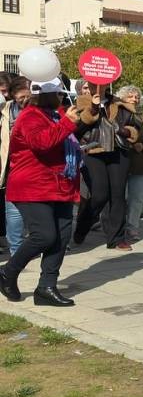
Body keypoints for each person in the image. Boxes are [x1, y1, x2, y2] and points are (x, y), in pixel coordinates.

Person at [0, 77, 87, 306]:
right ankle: (7, 272)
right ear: (45, 95)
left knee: (61, 237)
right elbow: (41, 143)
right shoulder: (29, 116)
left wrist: (89, 107)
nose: (61, 97)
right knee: (44, 235)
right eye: (57, 93)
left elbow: (69, 134)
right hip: (32, 186)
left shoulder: (56, 114)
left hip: (60, 185)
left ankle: (46, 287)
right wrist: (67, 123)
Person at [73, 81, 138, 251]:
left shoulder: (119, 104)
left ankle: (116, 238)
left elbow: (136, 127)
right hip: (93, 151)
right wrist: (93, 109)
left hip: (118, 151)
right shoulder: (81, 103)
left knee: (118, 194)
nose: (99, 87)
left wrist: (128, 132)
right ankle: (82, 226)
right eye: (93, 85)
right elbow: (76, 130)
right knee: (100, 195)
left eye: (102, 84)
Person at [115, 86, 143, 241]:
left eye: (137, 97)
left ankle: (132, 228)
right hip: (118, 162)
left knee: (136, 198)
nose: (134, 99)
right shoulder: (115, 114)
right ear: (122, 98)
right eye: (130, 96)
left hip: (138, 164)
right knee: (118, 197)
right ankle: (116, 226)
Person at [1, 77, 32, 254]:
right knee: (13, 211)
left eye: (29, 95)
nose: (25, 99)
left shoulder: (41, 110)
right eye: (22, 95)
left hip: (36, 167)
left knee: (38, 212)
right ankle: (16, 251)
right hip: (12, 167)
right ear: (14, 94)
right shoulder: (5, 110)